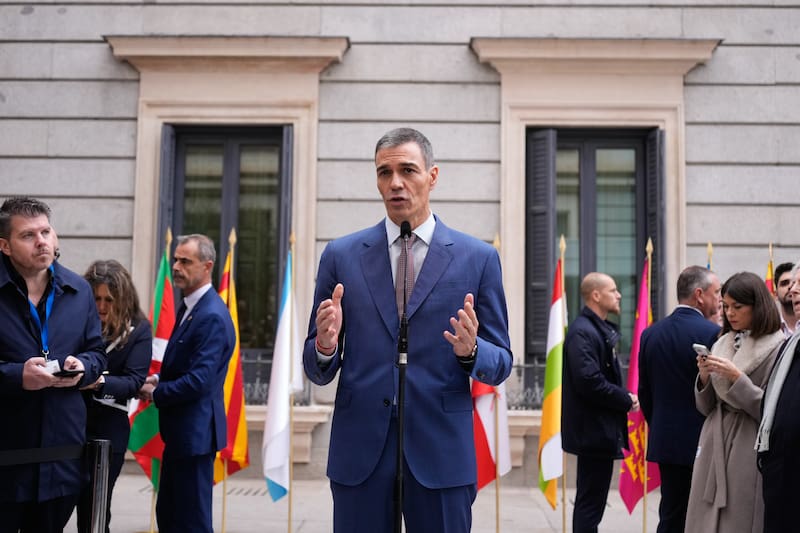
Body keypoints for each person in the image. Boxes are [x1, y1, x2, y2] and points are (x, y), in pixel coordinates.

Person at [302, 128, 513, 532]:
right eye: (384, 172)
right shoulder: (341, 255)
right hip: (360, 451)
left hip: (440, 451)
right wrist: (326, 346)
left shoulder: (478, 258)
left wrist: (471, 352)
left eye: (407, 170)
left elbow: (501, 360)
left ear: (432, 176)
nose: (395, 182)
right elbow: (316, 365)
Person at [0, 196, 106, 533]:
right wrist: (17, 375)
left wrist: (82, 367)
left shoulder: (80, 290)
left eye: (46, 231)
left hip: (62, 460)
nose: (42, 241)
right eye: (28, 235)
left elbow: (98, 353)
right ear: (4, 245)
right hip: (6, 459)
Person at [138, 234, 235, 533]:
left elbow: (199, 381)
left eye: (185, 261)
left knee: (190, 521)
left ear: (207, 266)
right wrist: (157, 378)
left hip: (195, 437)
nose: (176, 266)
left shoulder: (211, 316)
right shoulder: (190, 306)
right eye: (176, 259)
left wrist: (157, 393)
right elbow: (186, 364)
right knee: (169, 515)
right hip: (182, 434)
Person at [686, 271, 783, 533]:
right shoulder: (722, 343)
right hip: (713, 440)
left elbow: (775, 407)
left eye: (737, 307)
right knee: (704, 518)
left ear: (758, 306)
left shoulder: (778, 347)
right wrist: (704, 378)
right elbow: (706, 408)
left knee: (739, 516)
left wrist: (737, 378)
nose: (730, 313)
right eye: (725, 306)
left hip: (748, 442)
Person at [638, 266, 721, 533]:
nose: (719, 300)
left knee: (671, 513)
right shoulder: (712, 334)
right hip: (703, 441)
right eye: (716, 292)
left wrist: (661, 424)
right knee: (700, 517)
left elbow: (645, 393)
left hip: (666, 439)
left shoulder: (650, 334)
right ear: (699, 295)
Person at [76, 260, 151, 533]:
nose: (102, 306)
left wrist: (97, 382)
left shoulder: (138, 330)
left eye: (109, 299)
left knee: (94, 510)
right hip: (70, 424)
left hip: (109, 428)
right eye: (96, 298)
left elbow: (133, 381)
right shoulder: (77, 323)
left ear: (122, 299)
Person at [561, 272, 638, 533]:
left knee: (592, 502)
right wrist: (625, 399)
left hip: (598, 431)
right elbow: (589, 381)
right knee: (590, 505)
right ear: (596, 295)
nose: (619, 295)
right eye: (613, 290)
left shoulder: (596, 329)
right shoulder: (583, 332)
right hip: (593, 433)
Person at [757, 263, 800, 532]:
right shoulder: (790, 343)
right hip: (782, 474)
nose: (794, 291)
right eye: (792, 284)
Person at [773, 261, 795, 337]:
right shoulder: (769, 329)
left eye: (794, 282)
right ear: (775, 295)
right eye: (785, 283)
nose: (790, 286)